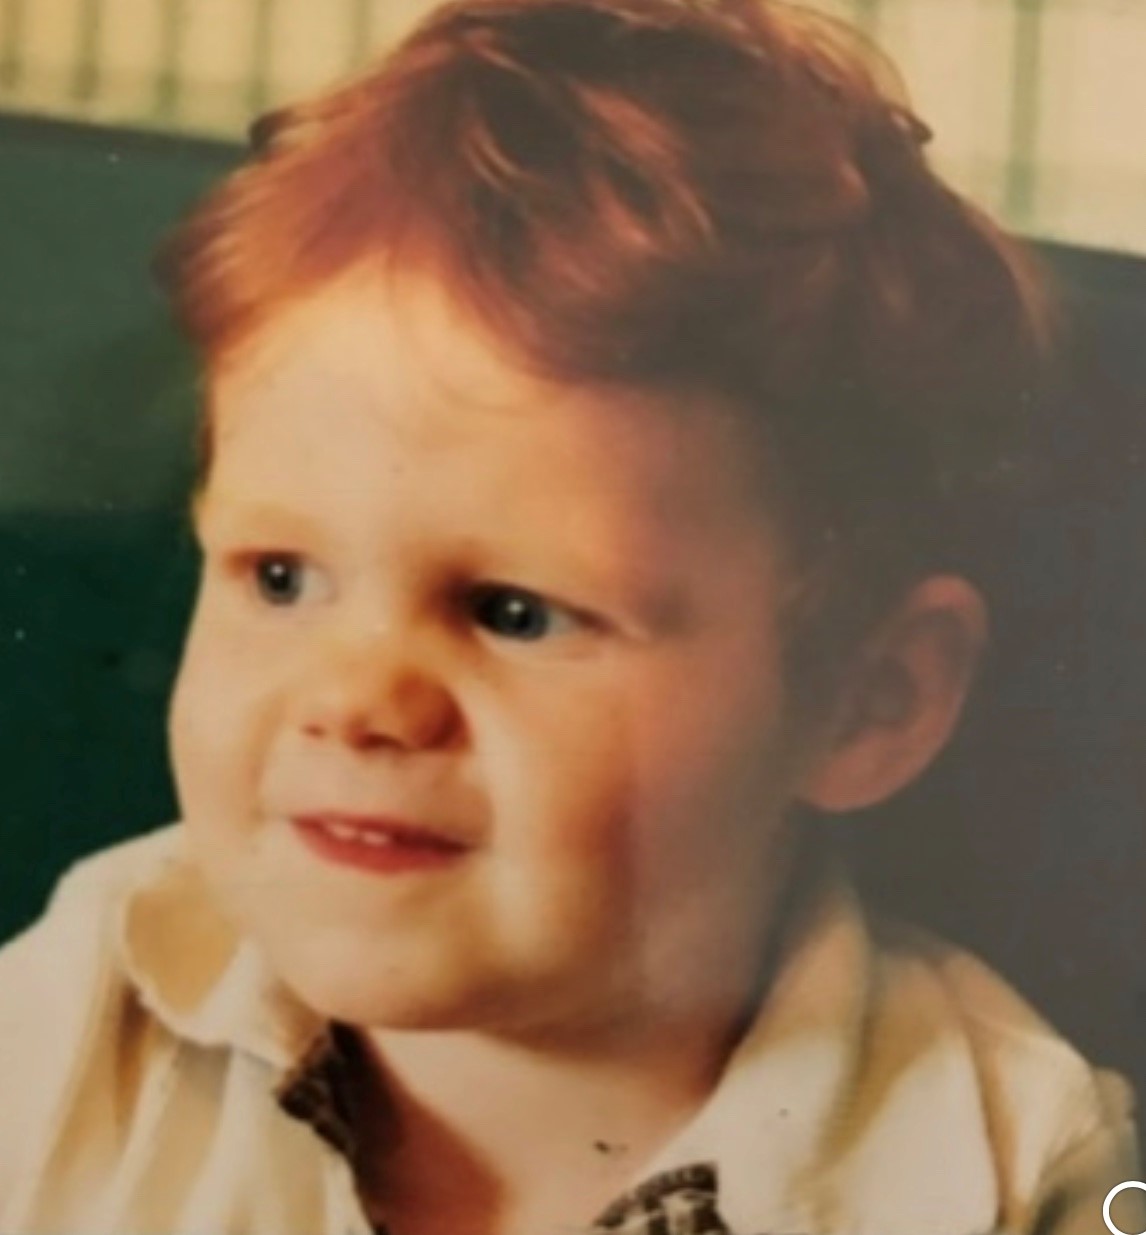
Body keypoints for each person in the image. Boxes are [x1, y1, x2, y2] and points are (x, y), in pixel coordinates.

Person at [0, 0, 1140, 1232]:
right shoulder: (62, 1022)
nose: (356, 699)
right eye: (279, 577)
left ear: (870, 702)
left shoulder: (1016, 1166)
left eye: (513, 611)